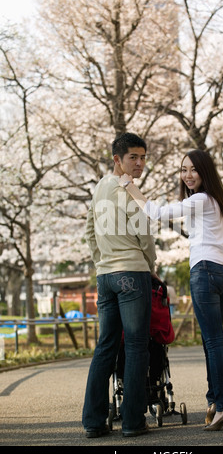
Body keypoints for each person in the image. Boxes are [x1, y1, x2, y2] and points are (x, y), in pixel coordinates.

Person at [119, 149, 223, 431]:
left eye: (193, 169)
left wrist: (128, 185)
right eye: (183, 170)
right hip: (222, 273)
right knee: (213, 341)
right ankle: (214, 402)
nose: (187, 175)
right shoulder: (220, 202)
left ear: (204, 171)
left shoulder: (200, 200)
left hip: (205, 272)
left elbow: (157, 213)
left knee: (213, 342)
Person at [82, 132, 157, 438]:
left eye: (143, 158)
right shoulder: (129, 190)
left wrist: (102, 261)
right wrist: (150, 266)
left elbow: (89, 230)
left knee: (105, 346)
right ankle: (132, 422)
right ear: (117, 159)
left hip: (105, 276)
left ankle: (94, 422)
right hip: (132, 272)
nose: (139, 164)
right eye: (132, 158)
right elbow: (145, 234)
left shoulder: (99, 188)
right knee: (138, 345)